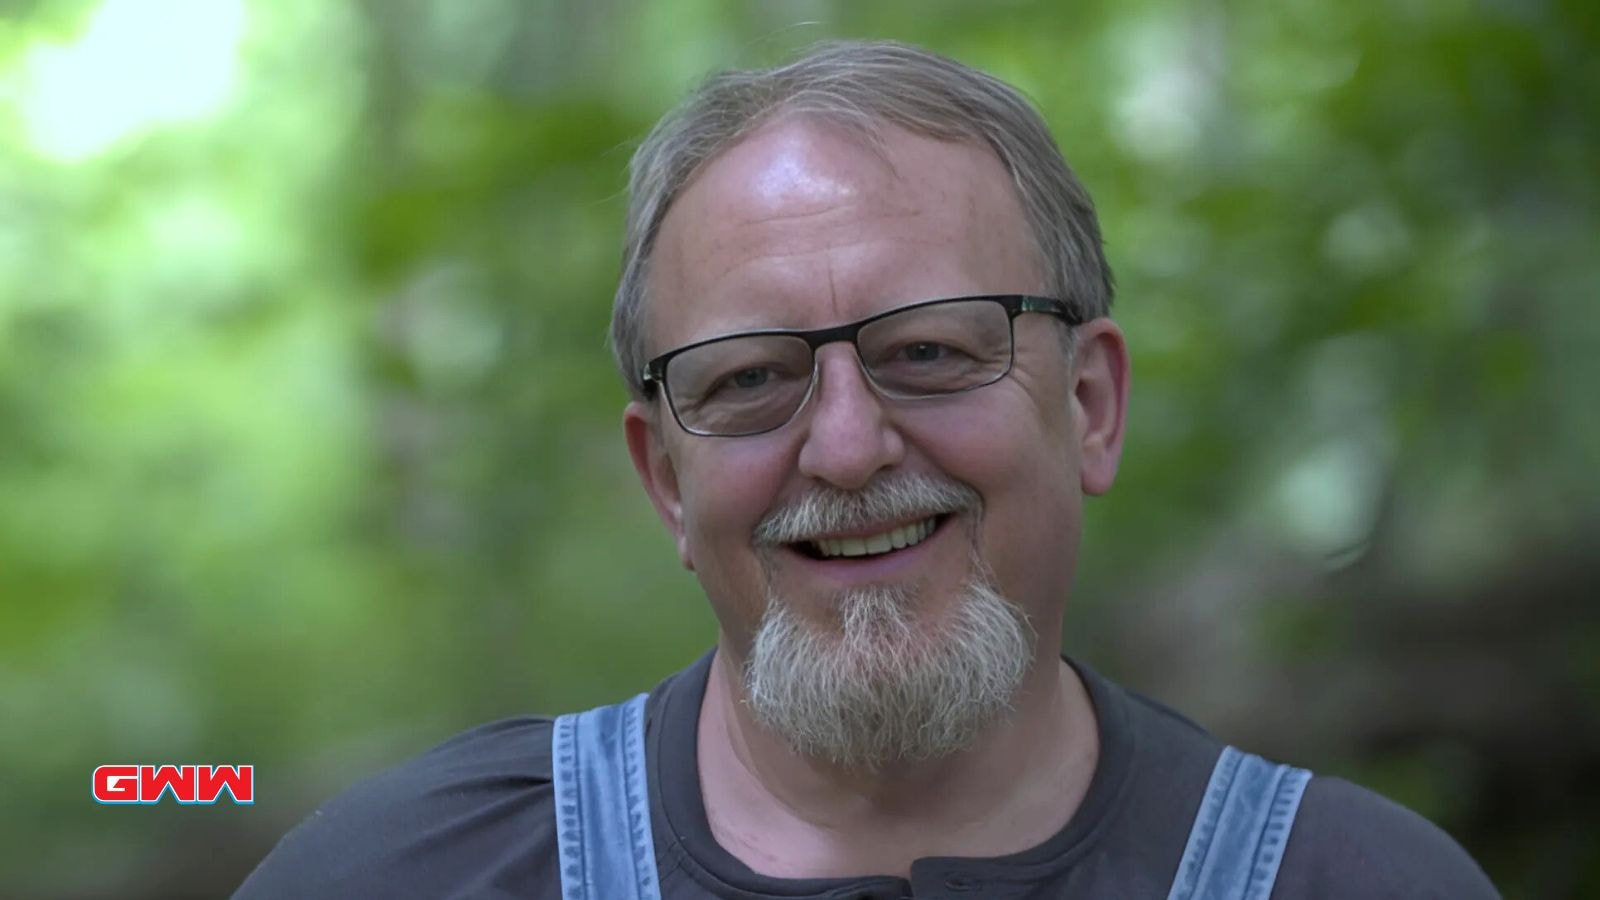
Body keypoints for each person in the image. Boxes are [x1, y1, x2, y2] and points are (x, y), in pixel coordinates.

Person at [237, 40, 1499, 899]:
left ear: (1092, 403)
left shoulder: (1355, 881)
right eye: (748, 378)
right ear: (665, 480)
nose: (844, 448)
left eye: (932, 351)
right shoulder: (401, 874)